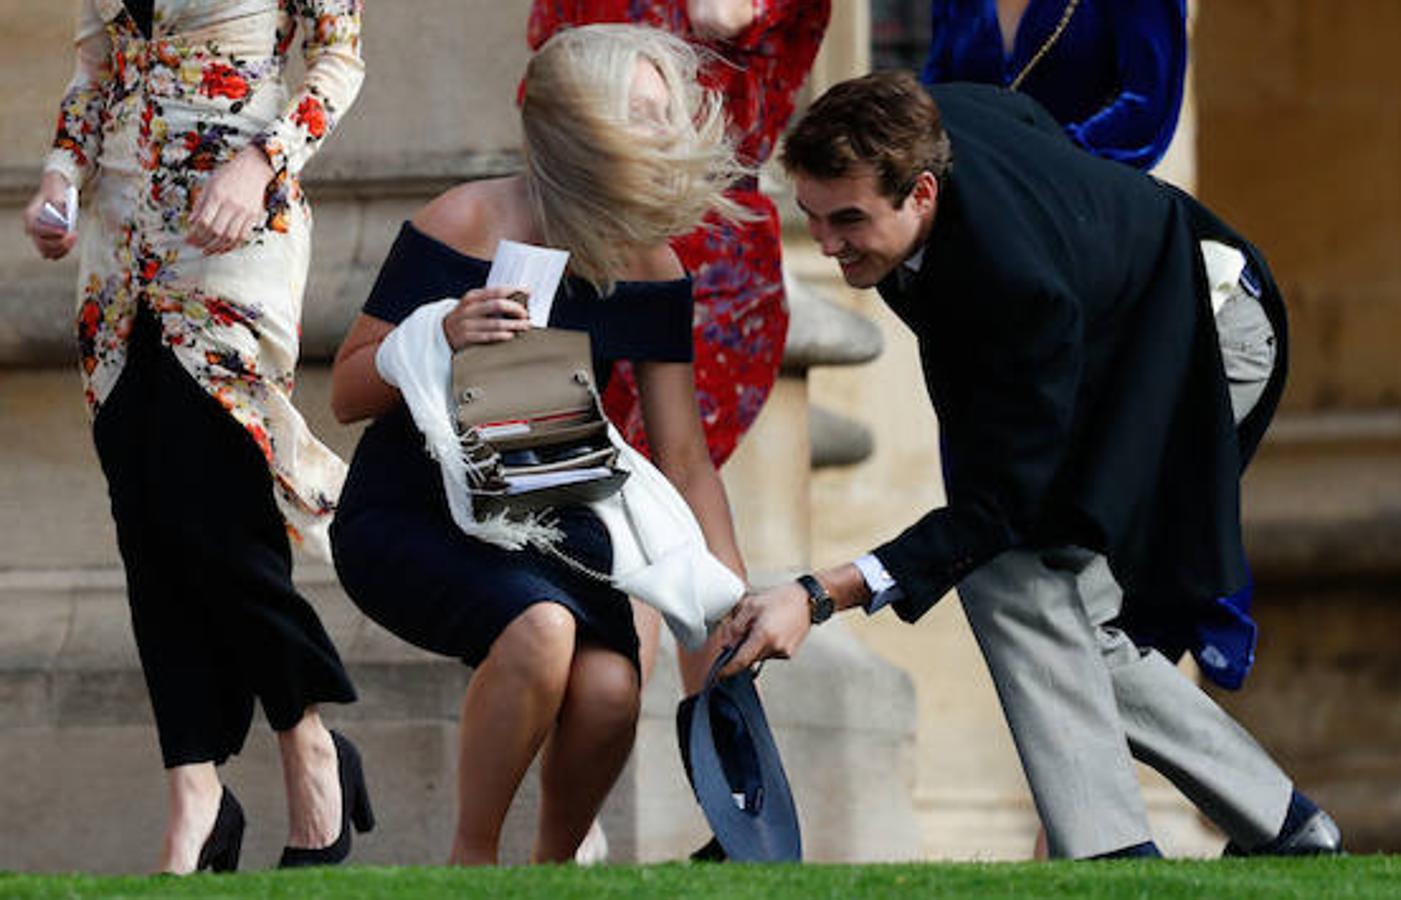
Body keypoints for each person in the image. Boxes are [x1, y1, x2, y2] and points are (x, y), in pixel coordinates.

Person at [721, 71, 1344, 859]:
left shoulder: (1012, 285)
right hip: (1113, 341)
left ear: (919, 192)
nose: (828, 242)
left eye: (848, 220)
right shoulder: (924, 127)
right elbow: (1021, 113)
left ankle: (1116, 857)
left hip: (1208, 342)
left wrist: (817, 596)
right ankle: (1281, 828)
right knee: (1060, 616)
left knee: (1012, 578)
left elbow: (999, 509)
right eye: (810, 217)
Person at [328, 24, 748, 866]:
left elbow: (684, 457)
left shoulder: (654, 269)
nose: (665, 132)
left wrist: (727, 607)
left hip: (557, 521)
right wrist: (442, 332)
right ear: (576, 125)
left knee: (610, 688)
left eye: (667, 112)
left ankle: (553, 876)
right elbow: (344, 392)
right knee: (541, 631)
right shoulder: (467, 221)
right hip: (410, 513)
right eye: (642, 114)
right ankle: (470, 863)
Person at [21, 0, 369, 874]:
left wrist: (262, 162)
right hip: (116, 232)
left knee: (212, 503)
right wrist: (59, 176)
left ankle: (309, 745)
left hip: (233, 222)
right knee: (144, 513)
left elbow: (338, 61)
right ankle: (195, 790)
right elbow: (98, 70)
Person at [920, 0, 1187, 170]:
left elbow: (1145, 109)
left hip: (1083, 211)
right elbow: (939, 92)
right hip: (969, 206)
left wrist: (1039, 162)